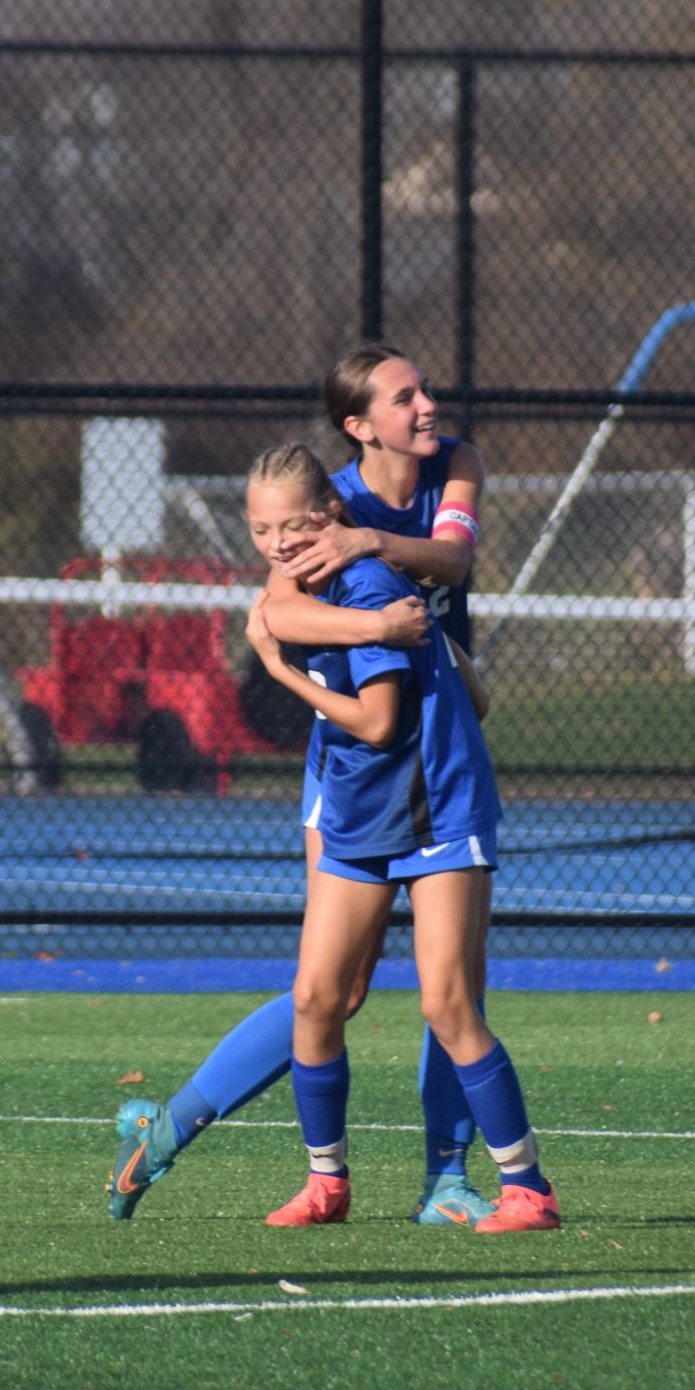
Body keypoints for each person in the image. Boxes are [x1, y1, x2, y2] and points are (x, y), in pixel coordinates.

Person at [108, 345, 495, 1226]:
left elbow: (454, 561)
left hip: (438, 751)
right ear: (360, 426)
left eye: (424, 389)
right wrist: (374, 619)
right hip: (354, 767)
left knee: (456, 989)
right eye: (407, 397)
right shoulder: (328, 498)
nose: (428, 405)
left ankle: (448, 1180)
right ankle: (172, 1128)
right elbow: (275, 612)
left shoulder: (454, 465)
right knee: (333, 989)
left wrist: (379, 561)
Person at [239, 442, 555, 1233]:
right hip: (363, 812)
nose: (277, 543)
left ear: (329, 517)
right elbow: (276, 611)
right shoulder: (320, 593)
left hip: (434, 812)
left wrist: (285, 674)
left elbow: (379, 722)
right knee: (316, 998)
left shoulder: (368, 583)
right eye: (259, 529)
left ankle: (528, 1188)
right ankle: (326, 1184)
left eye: (292, 525)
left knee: (447, 1001)